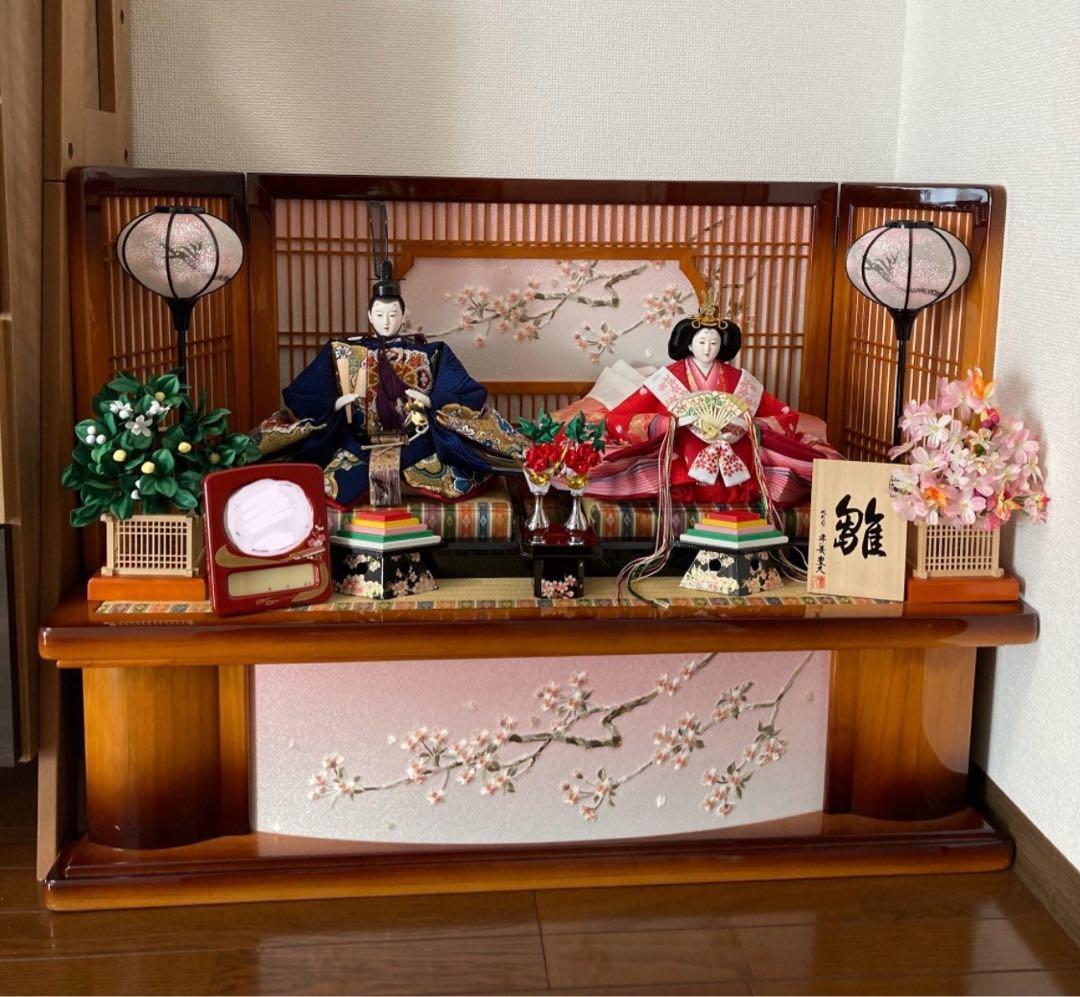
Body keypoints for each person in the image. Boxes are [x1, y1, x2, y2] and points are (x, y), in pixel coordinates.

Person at [252, 262, 521, 508]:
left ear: (403, 316)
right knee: (319, 462)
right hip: (355, 440)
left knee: (455, 460)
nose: (387, 321)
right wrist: (333, 403)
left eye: (393, 314)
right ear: (370, 316)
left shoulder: (430, 352)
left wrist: (432, 401)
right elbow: (302, 392)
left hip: (416, 440)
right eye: (380, 314)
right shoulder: (341, 350)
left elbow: (466, 390)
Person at [601, 294, 798, 505]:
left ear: (721, 345)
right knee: (678, 449)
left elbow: (784, 417)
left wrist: (748, 424)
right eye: (702, 342)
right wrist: (669, 424)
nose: (707, 349)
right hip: (680, 450)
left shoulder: (740, 380)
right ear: (689, 345)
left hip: (732, 449)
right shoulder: (667, 379)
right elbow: (619, 417)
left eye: (714, 343)